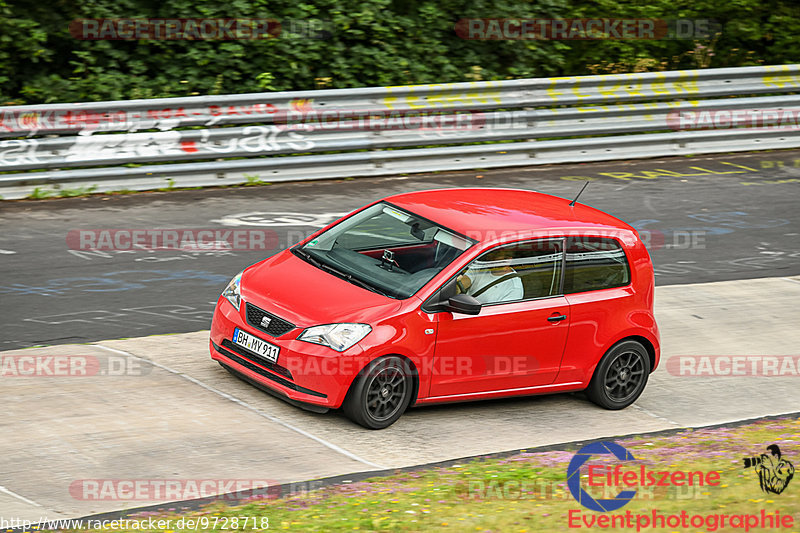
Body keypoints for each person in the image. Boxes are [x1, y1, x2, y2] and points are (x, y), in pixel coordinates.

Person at [457, 248, 523, 304]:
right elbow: (463, 283)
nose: (489, 258)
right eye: (489, 255)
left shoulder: (514, 288)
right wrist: (456, 287)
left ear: (508, 260)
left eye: (495, 255)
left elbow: (502, 314)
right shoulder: (481, 267)